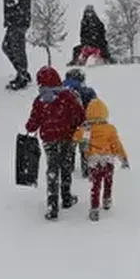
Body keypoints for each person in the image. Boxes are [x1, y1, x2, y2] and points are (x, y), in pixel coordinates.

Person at [25, 67, 87, 220]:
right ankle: (66, 198)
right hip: (67, 137)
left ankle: (52, 204)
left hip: (48, 139)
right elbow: (80, 116)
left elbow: (32, 124)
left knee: (52, 167)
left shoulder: (40, 100)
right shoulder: (68, 96)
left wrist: (31, 126)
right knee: (66, 166)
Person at [78, 98, 129, 221]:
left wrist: (82, 128)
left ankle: (94, 209)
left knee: (95, 186)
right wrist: (123, 157)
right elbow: (116, 144)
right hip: (108, 161)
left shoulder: (87, 129)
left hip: (94, 162)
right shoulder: (110, 129)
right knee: (108, 182)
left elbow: (76, 137)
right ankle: (106, 200)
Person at [1, 0, 32, 89]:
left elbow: (15, 0)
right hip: (14, 21)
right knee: (8, 46)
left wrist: (9, 3)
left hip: (18, 22)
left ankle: (22, 76)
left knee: (17, 48)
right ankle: (22, 72)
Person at [65, 67, 99, 177]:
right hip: (85, 125)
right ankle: (86, 170)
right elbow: (95, 107)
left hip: (68, 126)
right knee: (85, 148)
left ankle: (68, 168)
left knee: (69, 148)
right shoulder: (89, 91)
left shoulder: (62, 91)